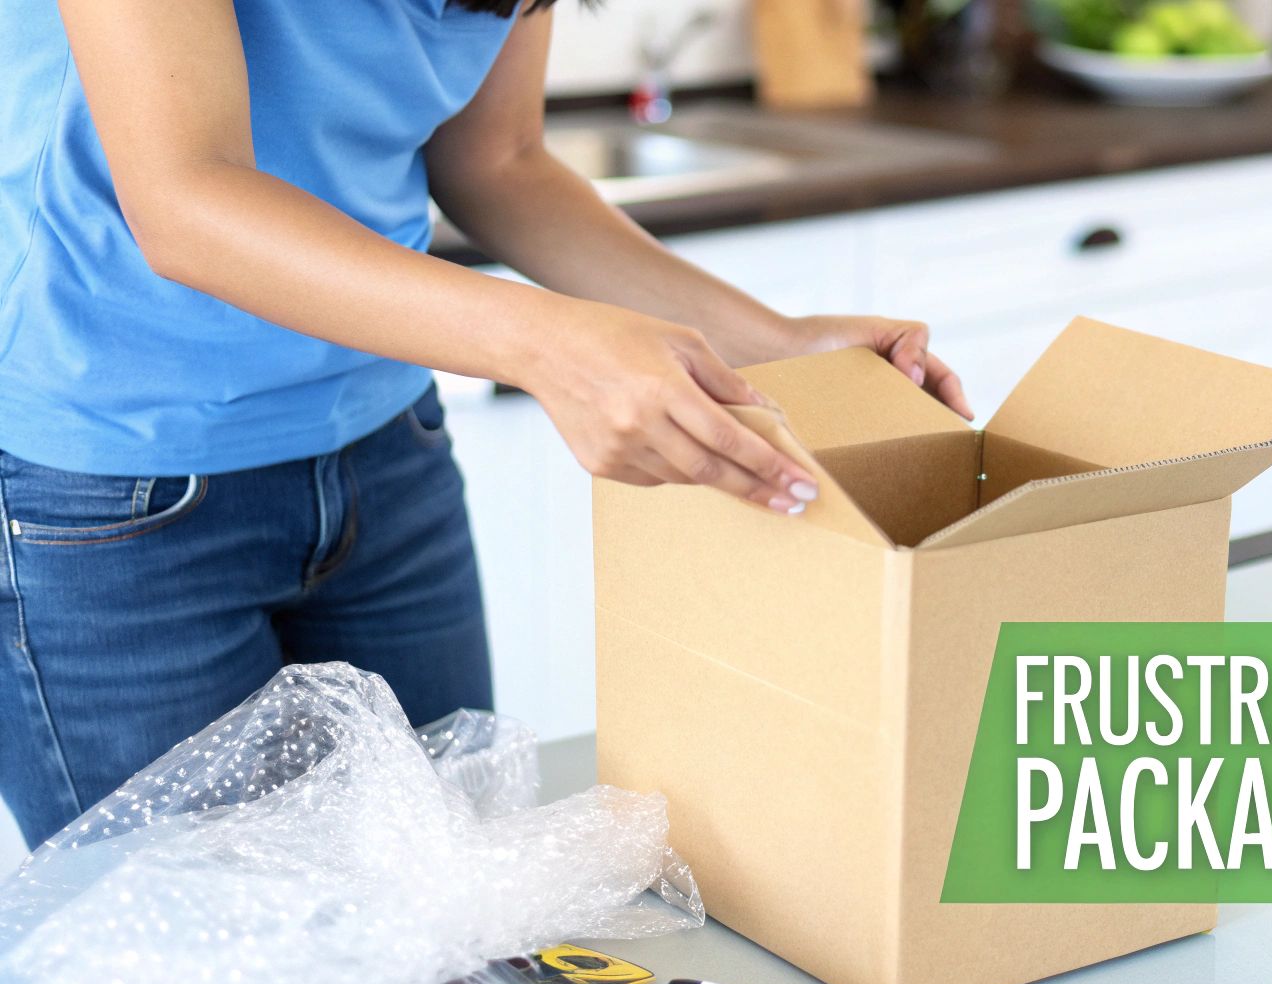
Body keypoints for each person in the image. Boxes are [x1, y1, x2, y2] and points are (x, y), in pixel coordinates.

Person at [0, 0, 971, 851]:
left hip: (383, 454)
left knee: (451, 906)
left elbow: (500, 161)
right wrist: (550, 346)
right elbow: (187, 199)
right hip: (109, 491)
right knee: (199, 968)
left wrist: (777, 345)